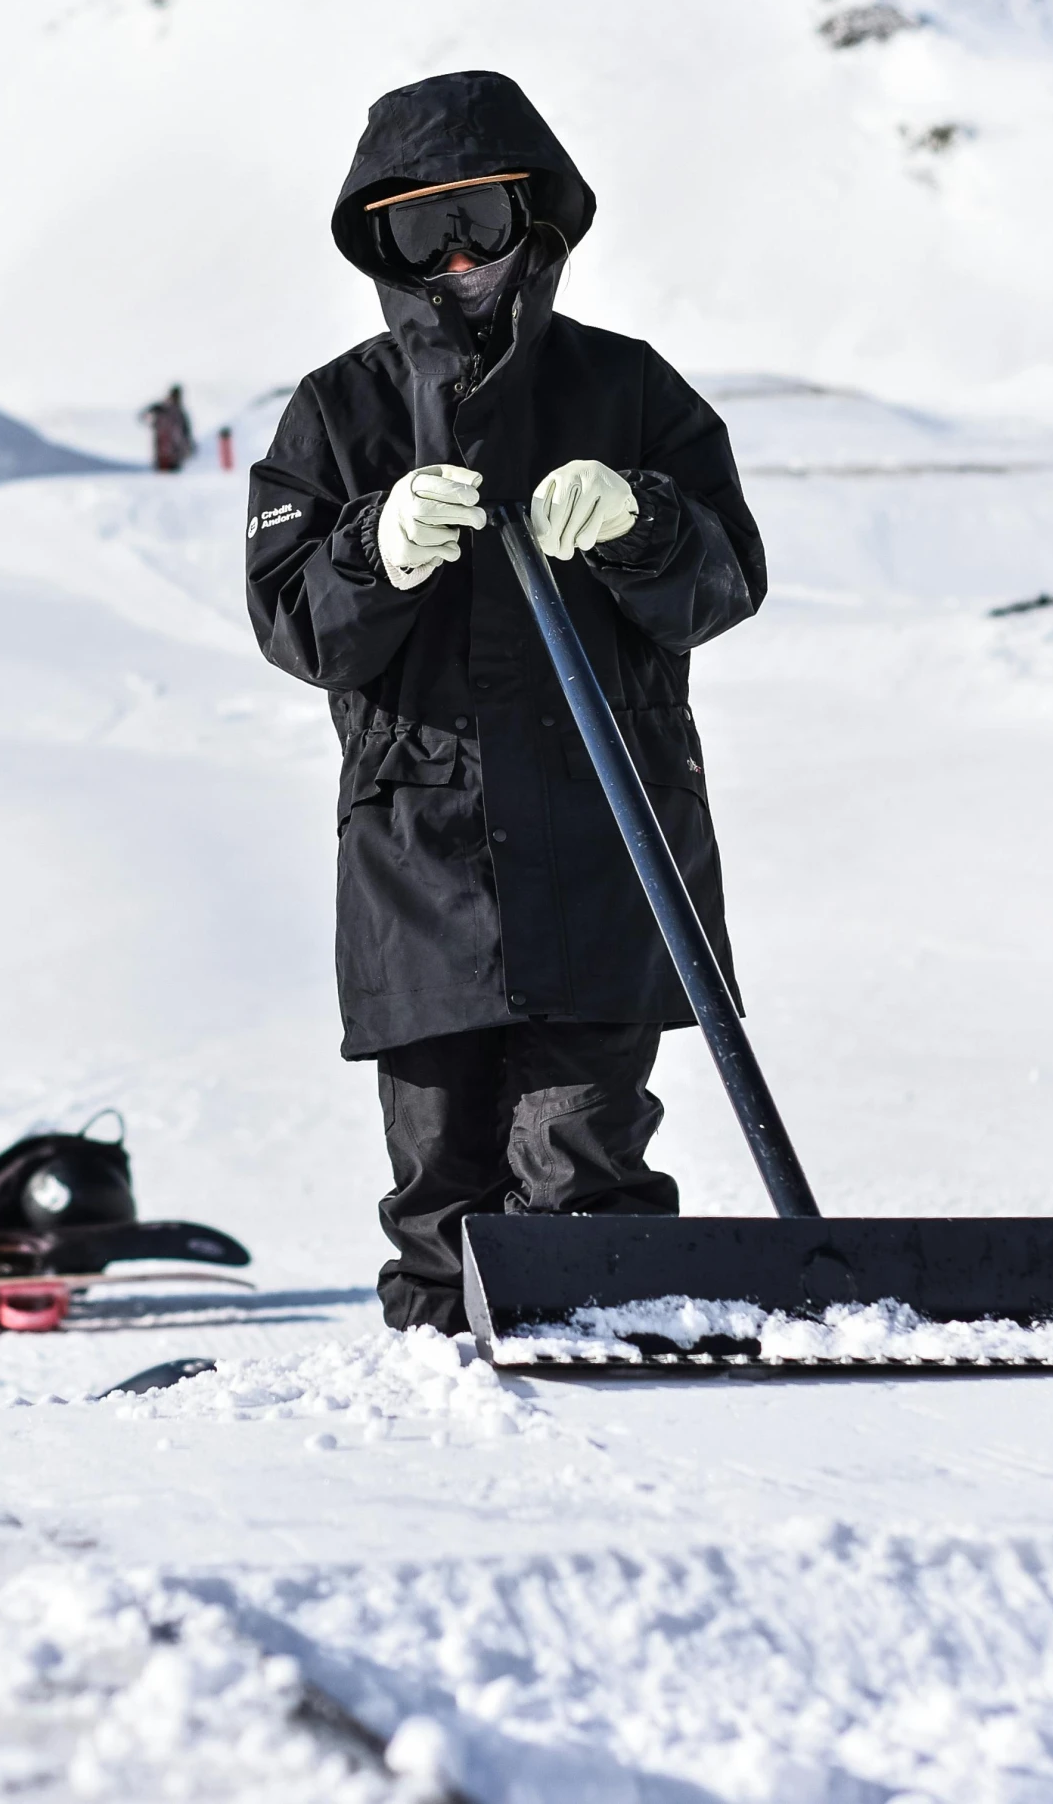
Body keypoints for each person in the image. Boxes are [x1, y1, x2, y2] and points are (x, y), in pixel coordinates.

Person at [246, 70, 766, 1335]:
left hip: (604, 835)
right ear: (382, 246)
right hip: (417, 861)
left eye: (479, 217)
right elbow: (293, 619)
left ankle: (631, 1437)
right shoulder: (339, 412)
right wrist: (375, 548)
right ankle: (455, 1438)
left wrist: (644, 524)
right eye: (424, 231)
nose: (462, 256)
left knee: (586, 1167)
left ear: (535, 215)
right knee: (442, 1195)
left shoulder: (630, 389)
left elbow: (726, 579)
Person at [141, 384, 195, 471]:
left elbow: (186, 431)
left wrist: (190, 445)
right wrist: (152, 423)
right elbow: (143, 416)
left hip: (175, 452)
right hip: (162, 447)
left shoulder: (180, 412)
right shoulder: (161, 407)